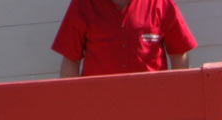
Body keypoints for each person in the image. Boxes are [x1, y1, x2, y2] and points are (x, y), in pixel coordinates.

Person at [52, 0, 197, 77]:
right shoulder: (83, 4)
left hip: (152, 105)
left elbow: (179, 55)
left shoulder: (159, 2)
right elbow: (71, 59)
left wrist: (178, 98)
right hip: (98, 107)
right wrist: (73, 104)